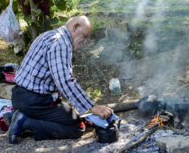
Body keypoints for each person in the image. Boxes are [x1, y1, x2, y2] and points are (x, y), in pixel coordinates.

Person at [8, 15, 113, 144]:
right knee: (77, 128)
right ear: (75, 27)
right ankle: (25, 122)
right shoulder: (61, 43)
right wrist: (92, 107)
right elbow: (65, 81)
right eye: (84, 36)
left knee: (69, 115)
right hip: (34, 101)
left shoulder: (50, 35)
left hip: (20, 96)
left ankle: (20, 114)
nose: (85, 42)